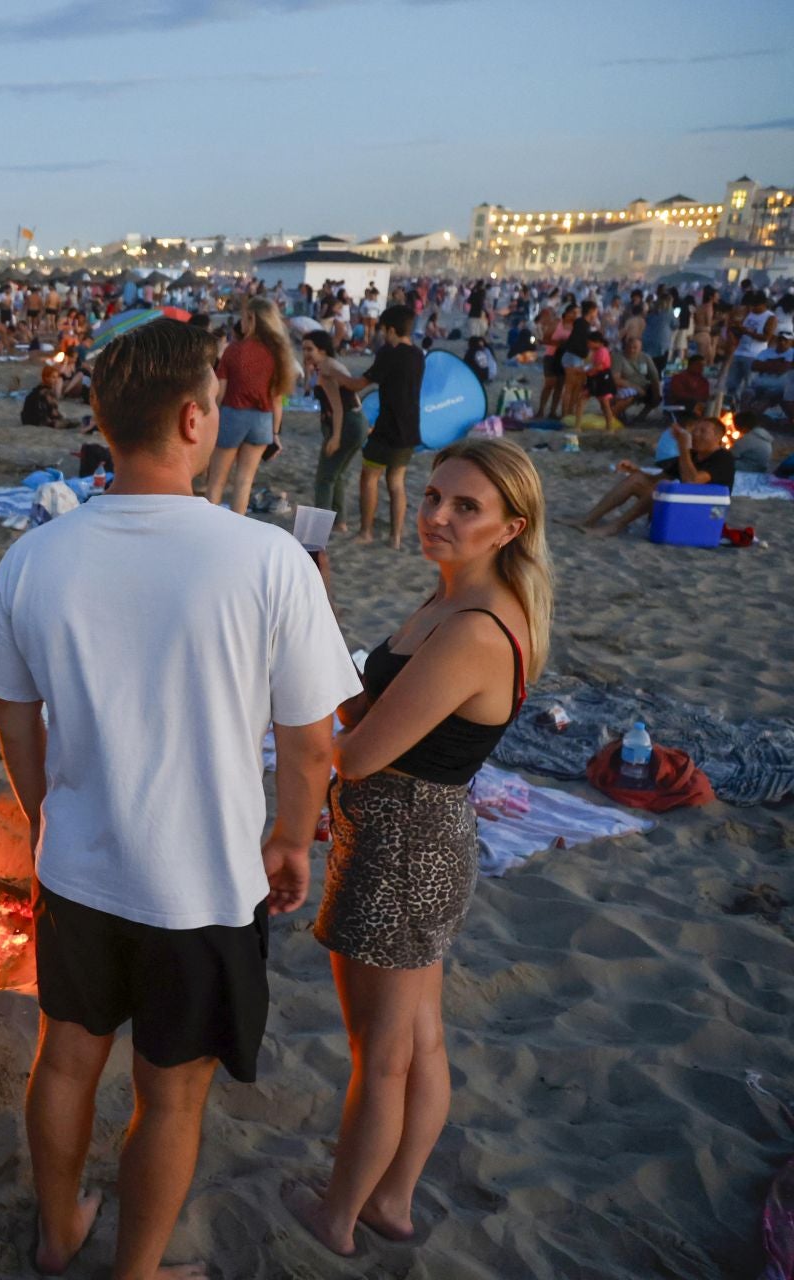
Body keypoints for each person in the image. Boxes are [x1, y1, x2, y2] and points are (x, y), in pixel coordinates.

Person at [0, 318, 359, 1278]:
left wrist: (40, 814)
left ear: (102, 422)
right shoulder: (267, 559)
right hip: (202, 881)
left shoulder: (35, 557)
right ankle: (136, 1270)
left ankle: (58, 1228)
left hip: (80, 864)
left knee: (65, 1056)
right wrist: (288, 840)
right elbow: (311, 742)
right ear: (197, 418)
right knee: (172, 1093)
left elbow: (14, 717)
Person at [285, 437, 550, 1258]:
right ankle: (391, 1201)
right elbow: (368, 705)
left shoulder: (474, 627)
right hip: (409, 835)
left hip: (405, 844)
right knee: (418, 1039)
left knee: (386, 1051)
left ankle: (337, 1218)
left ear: (511, 527)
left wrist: (304, 735)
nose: (435, 515)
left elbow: (356, 750)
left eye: (465, 507)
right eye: (434, 496)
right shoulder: (447, 600)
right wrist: (320, 612)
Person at [336, 306, 424, 549]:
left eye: (384, 330)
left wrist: (335, 375)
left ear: (392, 330)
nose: (382, 335)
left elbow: (358, 384)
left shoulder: (389, 353)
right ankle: (395, 538)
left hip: (387, 428)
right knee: (396, 483)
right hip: (410, 428)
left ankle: (366, 531)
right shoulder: (418, 355)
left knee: (369, 477)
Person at [206, 297, 296, 519]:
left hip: (233, 414)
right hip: (263, 421)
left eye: (243, 317)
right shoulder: (278, 353)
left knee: (216, 481)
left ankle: (209, 527)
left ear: (252, 318)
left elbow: (220, 392)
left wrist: (212, 419)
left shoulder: (235, 350)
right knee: (245, 481)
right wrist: (275, 433)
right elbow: (276, 399)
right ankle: (238, 526)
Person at [570, 417, 734, 536]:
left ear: (717, 437)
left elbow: (692, 482)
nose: (696, 434)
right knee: (638, 481)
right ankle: (589, 519)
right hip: (682, 505)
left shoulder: (723, 458)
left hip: (704, 513)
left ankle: (615, 526)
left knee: (662, 486)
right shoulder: (691, 455)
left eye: (703, 431)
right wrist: (635, 471)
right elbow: (655, 479)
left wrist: (683, 448)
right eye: (695, 430)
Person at [302, 330, 368, 534]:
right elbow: (309, 390)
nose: (305, 353)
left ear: (322, 349)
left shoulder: (327, 369)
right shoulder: (326, 365)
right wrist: (308, 371)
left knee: (324, 478)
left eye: (309, 349)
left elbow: (338, 407)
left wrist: (336, 437)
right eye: (303, 348)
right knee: (337, 474)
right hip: (356, 423)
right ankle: (340, 523)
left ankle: (319, 529)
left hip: (346, 424)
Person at [21, 363, 67, 429]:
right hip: (36, 420)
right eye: (53, 377)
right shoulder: (46, 392)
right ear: (46, 378)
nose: (56, 380)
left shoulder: (38, 389)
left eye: (57, 377)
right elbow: (53, 412)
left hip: (26, 419)